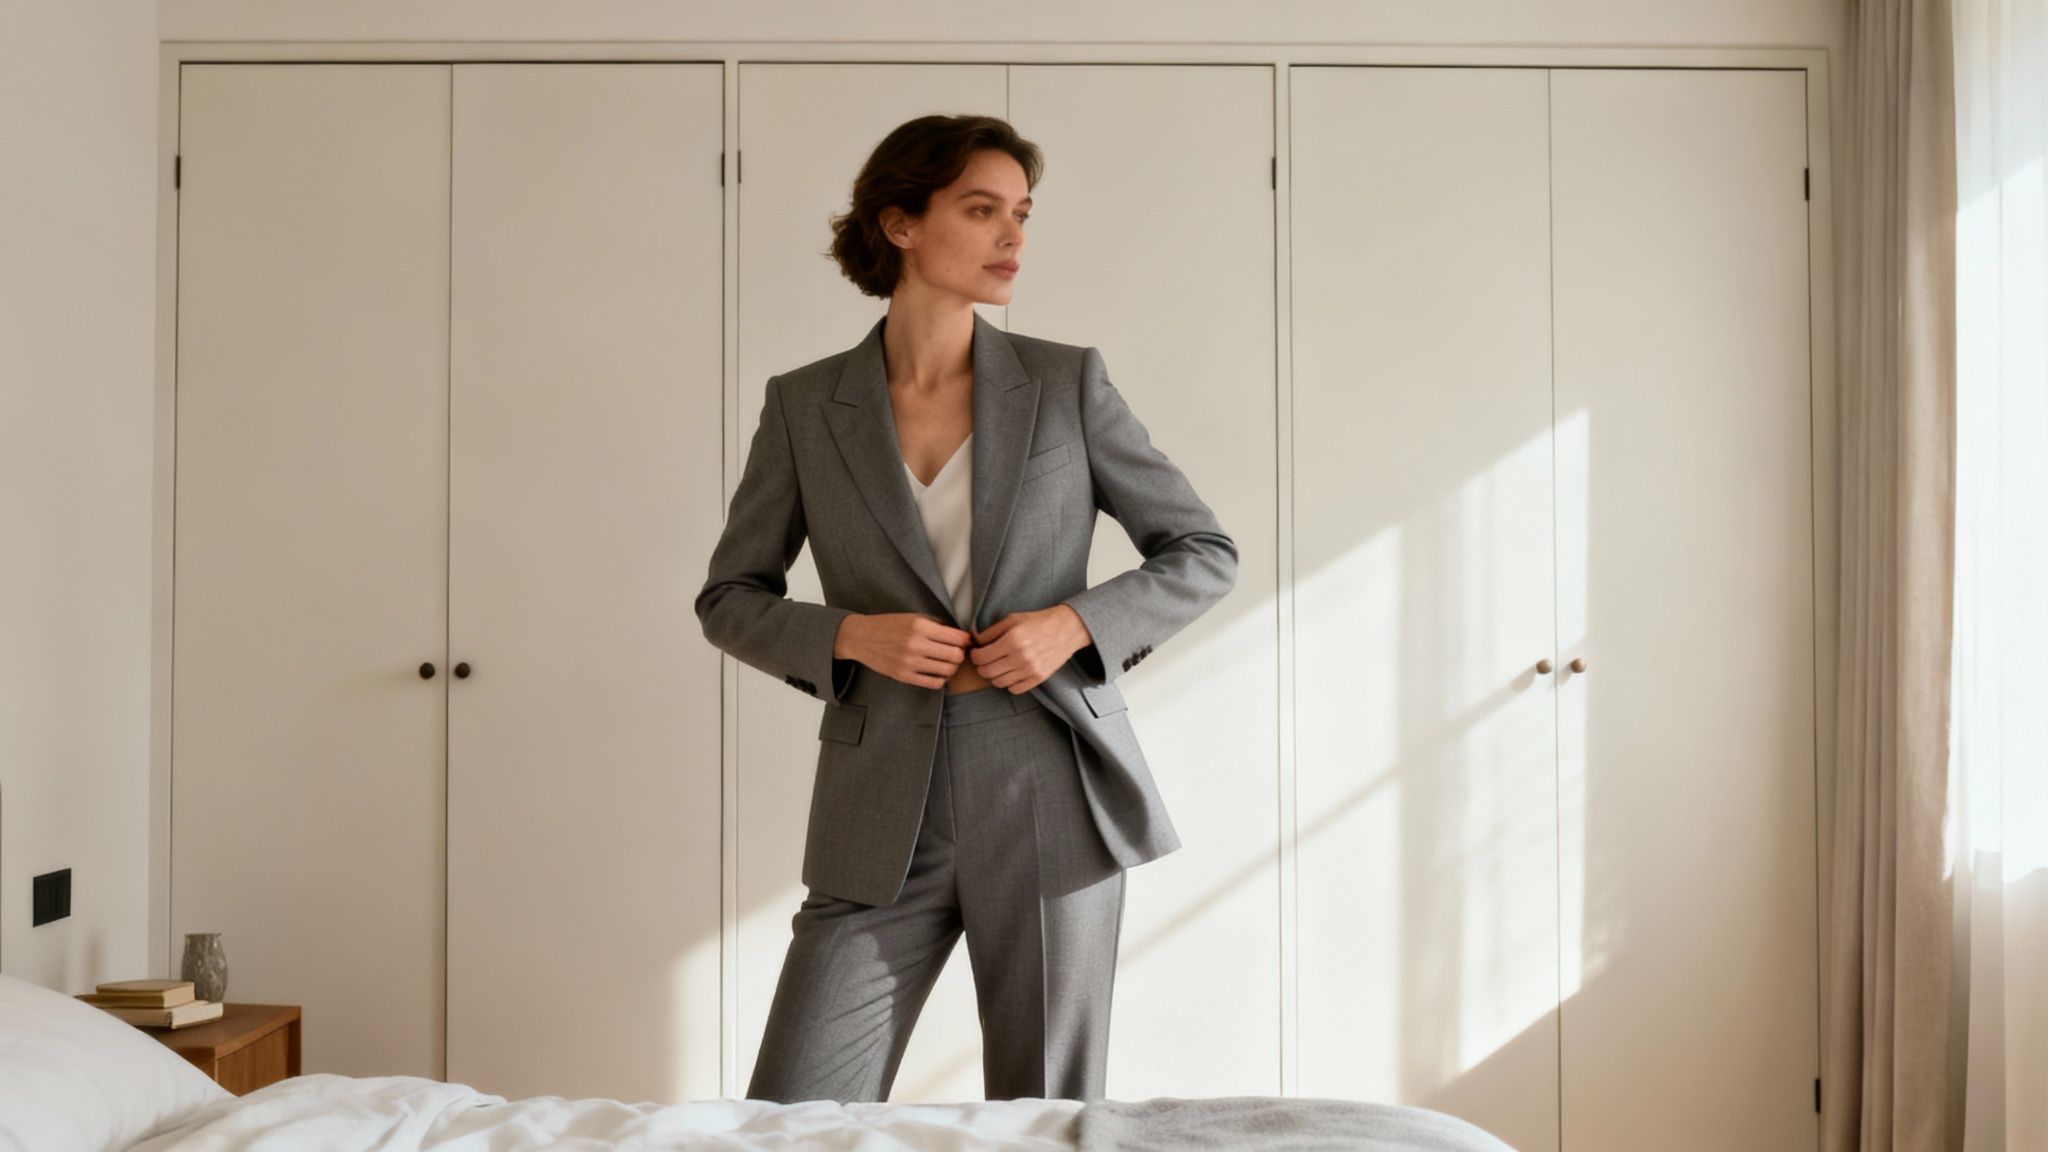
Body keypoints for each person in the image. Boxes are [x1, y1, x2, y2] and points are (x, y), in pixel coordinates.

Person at [694, 113, 1237, 1104]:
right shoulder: (805, 406)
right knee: (790, 1115)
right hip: (874, 811)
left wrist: (1072, 626)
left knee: (1044, 1112)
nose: (1011, 239)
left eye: (1020, 215)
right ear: (899, 224)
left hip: (1046, 788)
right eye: (980, 211)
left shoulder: (1066, 384)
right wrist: (849, 634)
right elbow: (729, 598)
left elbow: (1200, 552)